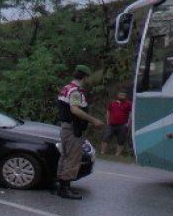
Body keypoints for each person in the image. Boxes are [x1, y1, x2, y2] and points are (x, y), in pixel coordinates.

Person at [56, 65, 103, 200]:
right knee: (73, 157)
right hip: (73, 129)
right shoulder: (76, 91)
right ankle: (65, 189)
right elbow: (75, 110)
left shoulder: (66, 88)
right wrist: (94, 120)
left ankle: (61, 186)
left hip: (66, 127)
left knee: (65, 156)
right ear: (85, 77)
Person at [100, 90, 132, 156]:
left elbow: (130, 114)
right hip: (111, 124)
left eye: (123, 95)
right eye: (120, 94)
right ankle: (102, 152)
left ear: (125, 96)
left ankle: (117, 155)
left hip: (123, 125)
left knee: (121, 140)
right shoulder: (112, 103)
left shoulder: (128, 104)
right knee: (106, 136)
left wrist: (128, 124)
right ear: (117, 95)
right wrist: (107, 121)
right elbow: (108, 112)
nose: (121, 96)